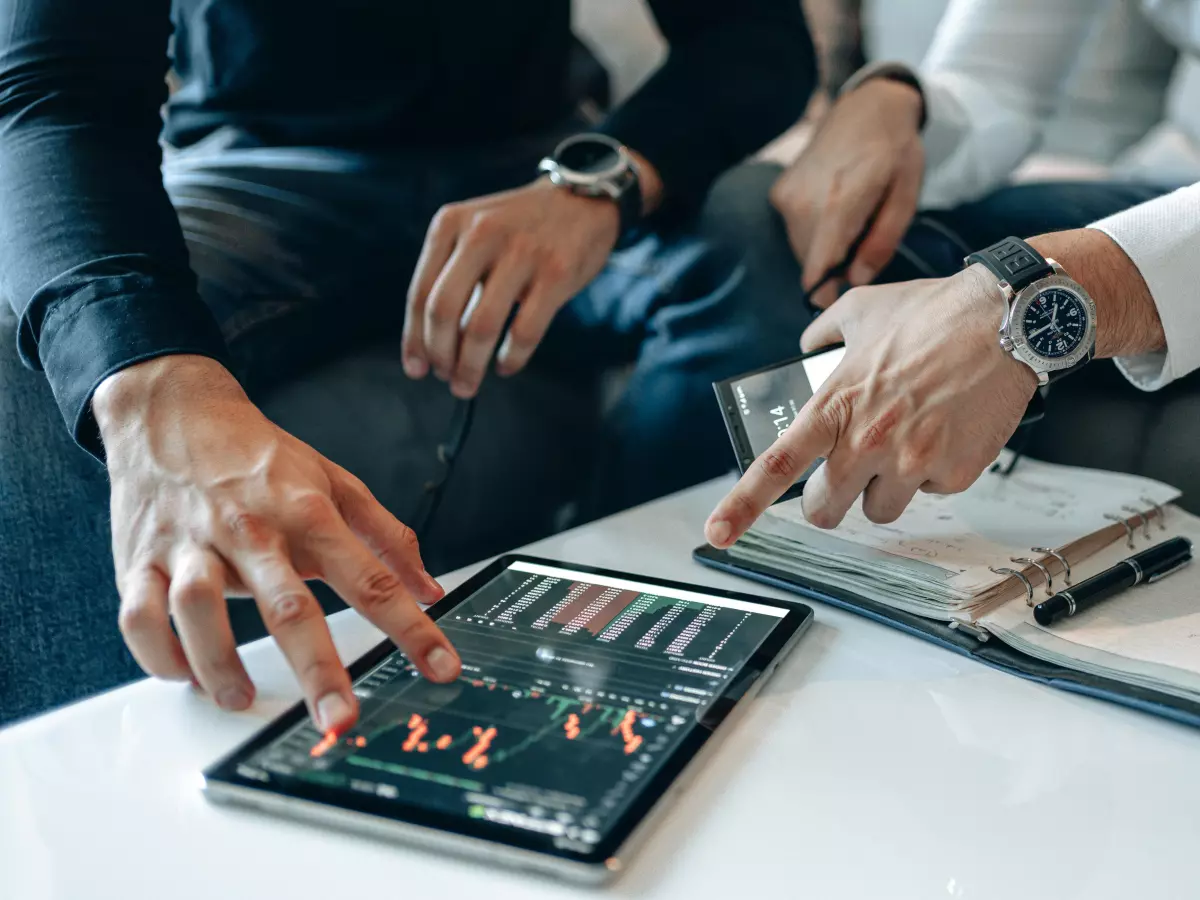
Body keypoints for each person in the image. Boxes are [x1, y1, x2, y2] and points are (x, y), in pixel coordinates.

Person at [0, 0, 817, 728]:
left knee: (763, 239)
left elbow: (756, 36)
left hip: (535, 166)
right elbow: (59, 92)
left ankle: (656, 632)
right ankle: (123, 799)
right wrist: (151, 385)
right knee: (28, 367)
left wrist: (600, 181)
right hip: (261, 173)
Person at [704, 0, 1200, 549]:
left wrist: (1015, 302)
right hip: (1165, 178)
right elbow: (995, 76)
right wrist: (897, 101)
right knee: (750, 215)